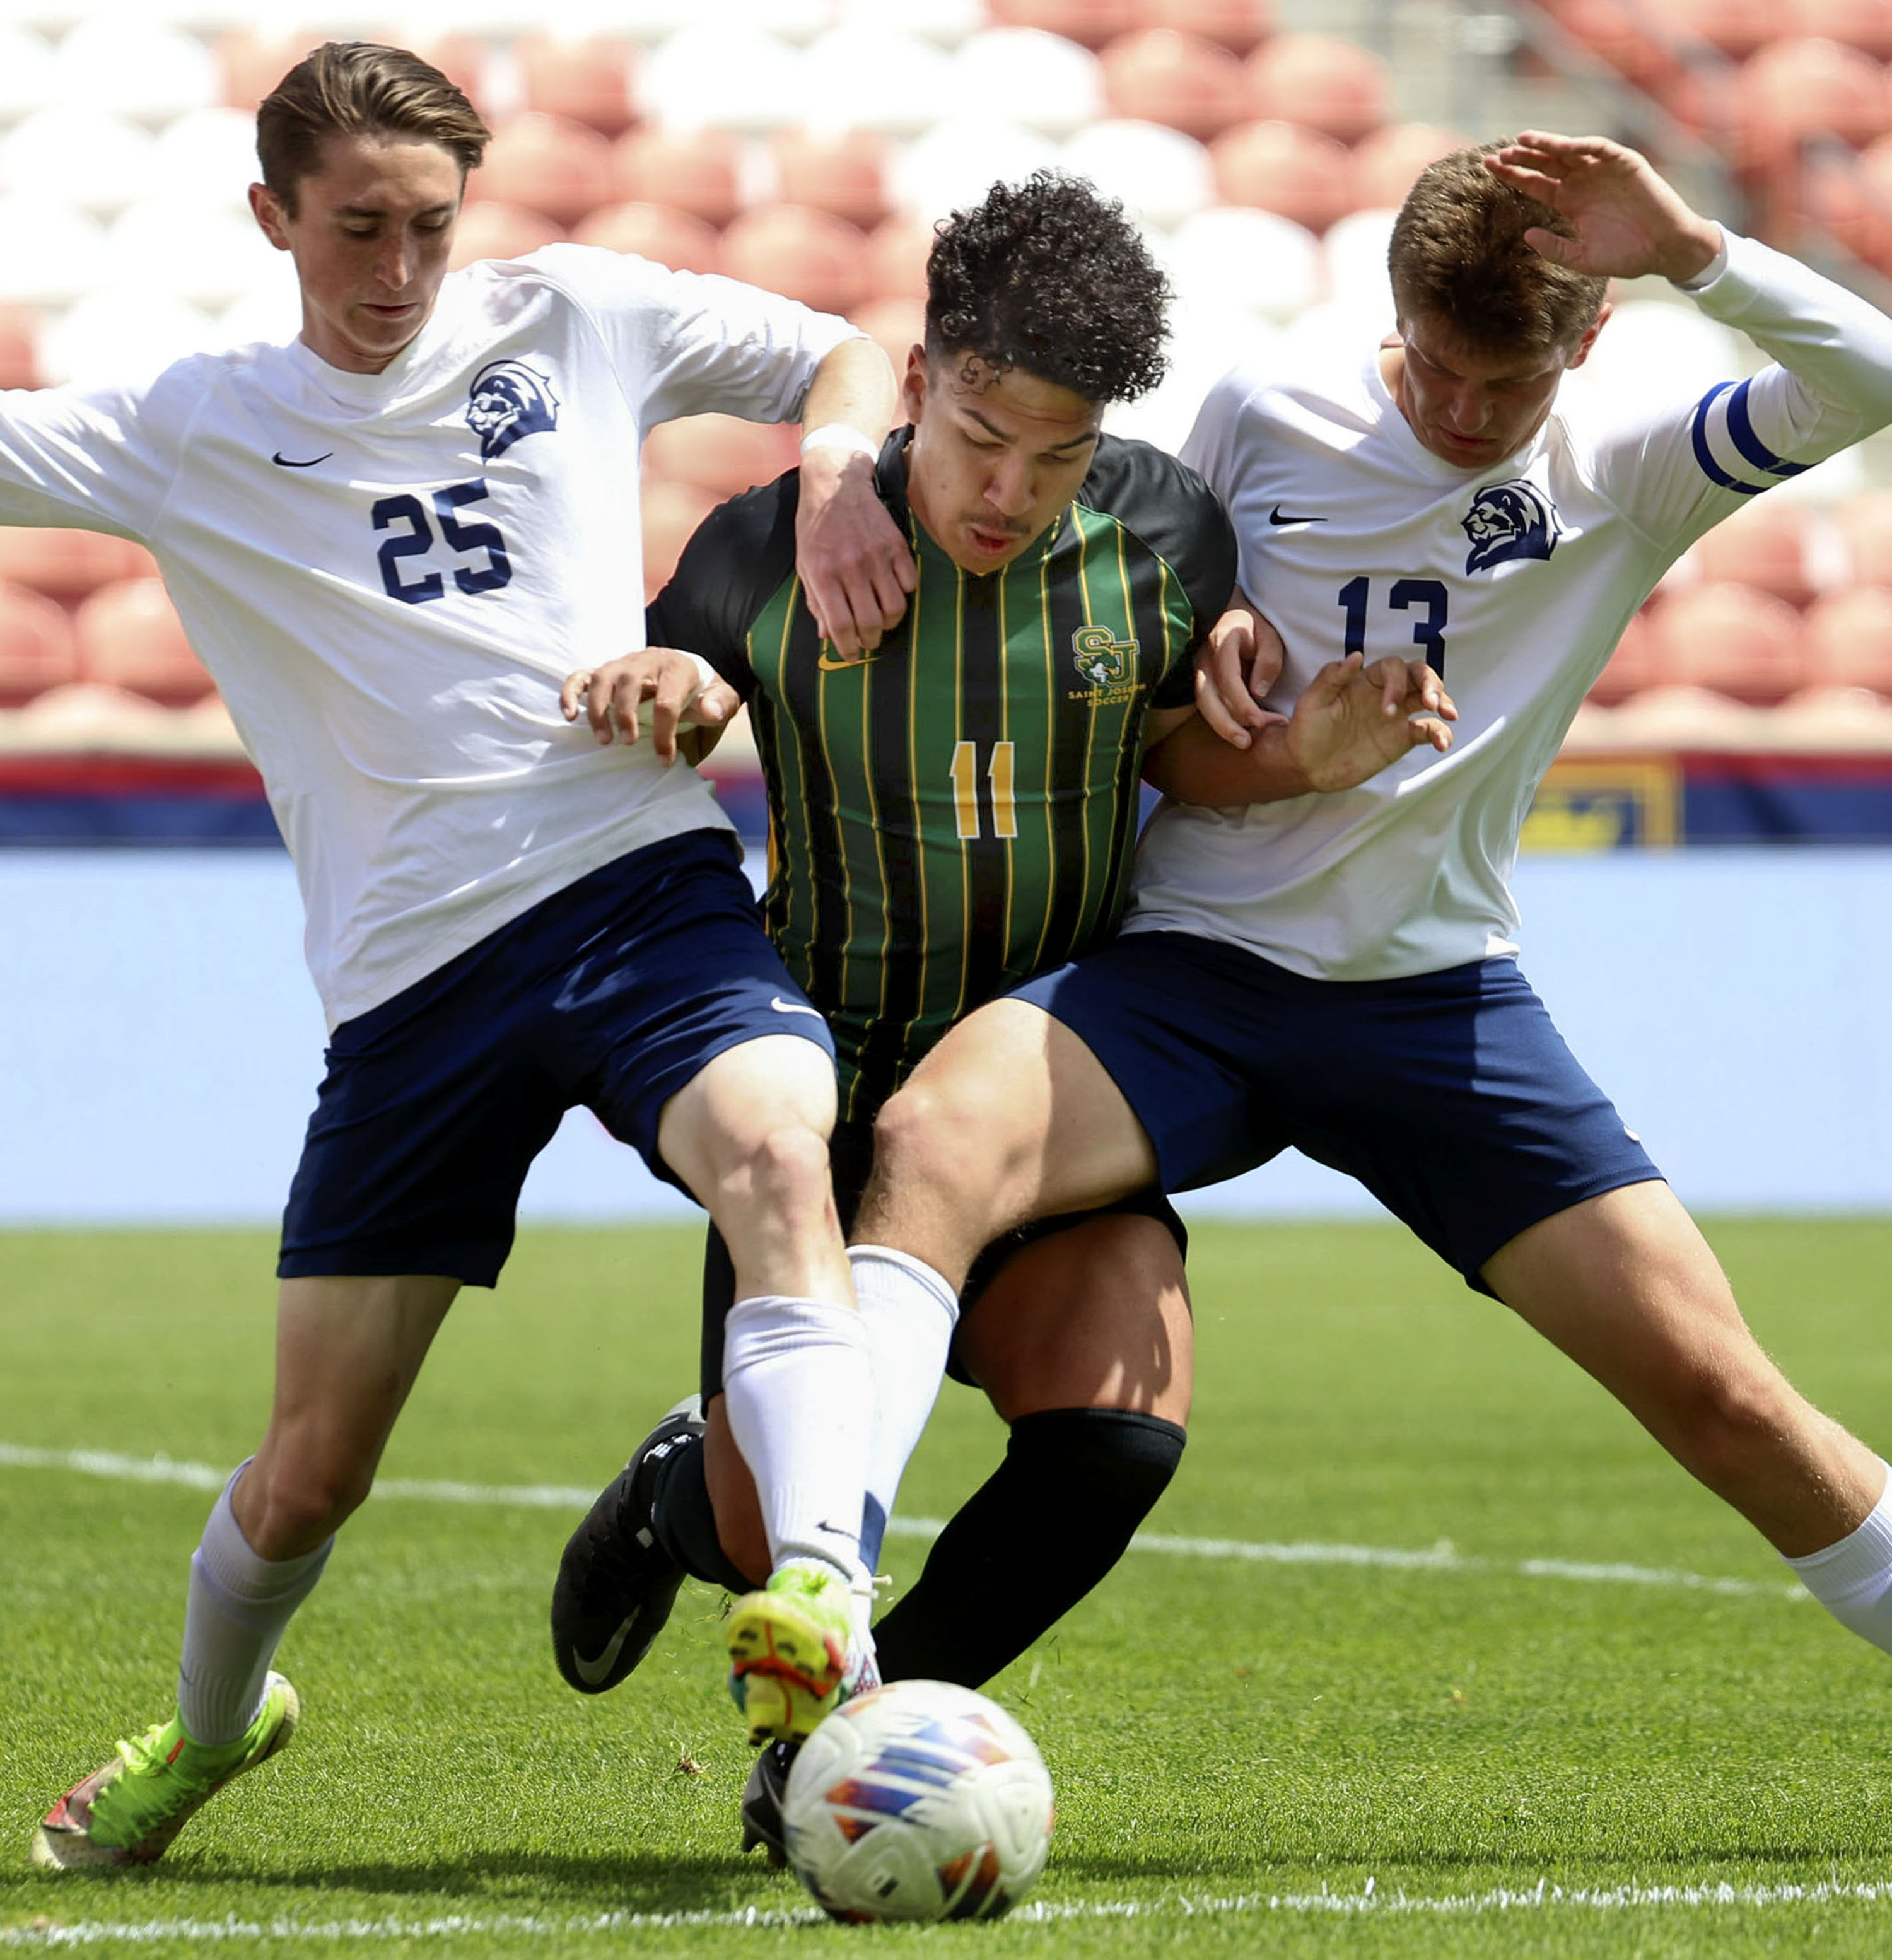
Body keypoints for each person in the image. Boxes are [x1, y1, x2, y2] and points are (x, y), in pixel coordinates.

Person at [839, 133, 1892, 1703]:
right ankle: (821, 1577)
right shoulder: (1264, 414)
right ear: (1397, 314)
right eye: (1442, 374)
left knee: (1724, 1395)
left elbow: (1868, 378)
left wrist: (1693, 251)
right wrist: (1210, 632)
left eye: (1507, 389)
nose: (1466, 419)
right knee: (934, 1146)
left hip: (1435, 1007)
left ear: (1587, 340)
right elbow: (1136, 628)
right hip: (1190, 971)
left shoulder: (1622, 470)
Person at [28, 40, 919, 1872]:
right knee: (307, 1481)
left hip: (632, 884)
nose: (402, 269)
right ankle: (213, 1729)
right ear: (271, 217)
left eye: (434, 224)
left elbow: (847, 351)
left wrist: (835, 459)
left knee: (777, 1144)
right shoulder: (189, 427)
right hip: (410, 990)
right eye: (358, 227)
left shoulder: (575, 313)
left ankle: (825, 1593)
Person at [545, 172, 1453, 1852]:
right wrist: (667, 688)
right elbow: (685, 698)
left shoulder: (1169, 534)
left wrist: (1302, 757)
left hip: (1050, 1084)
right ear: (918, 378)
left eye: (1054, 455)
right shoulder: (772, 539)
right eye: (978, 439)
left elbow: (1175, 749)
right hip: (818, 1114)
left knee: (1117, 1439)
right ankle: (687, 1491)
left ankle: (842, 1739)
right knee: (768, 1533)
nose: (1010, 491)